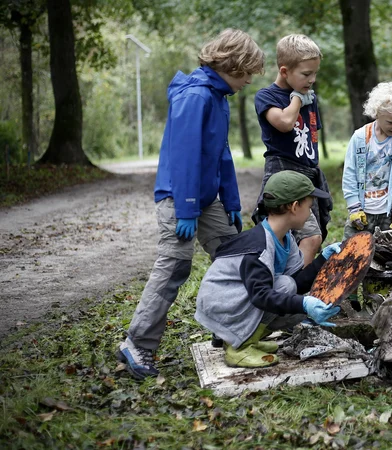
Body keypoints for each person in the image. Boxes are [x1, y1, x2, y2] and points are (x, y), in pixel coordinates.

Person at [117, 29, 265, 379]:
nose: (248, 81)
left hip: (207, 198)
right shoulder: (195, 96)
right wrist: (185, 209)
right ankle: (137, 343)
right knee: (174, 267)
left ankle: (231, 331)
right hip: (177, 197)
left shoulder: (219, 98)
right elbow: (183, 158)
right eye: (246, 73)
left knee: (235, 256)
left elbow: (222, 153)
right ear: (232, 65)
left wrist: (230, 199)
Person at [195, 171, 342, 368]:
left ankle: (248, 339)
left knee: (287, 286)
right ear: (294, 206)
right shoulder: (260, 246)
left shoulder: (285, 238)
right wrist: (305, 304)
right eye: (309, 207)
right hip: (221, 303)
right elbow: (261, 296)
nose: (310, 213)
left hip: (239, 299)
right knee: (284, 291)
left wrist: (323, 260)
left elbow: (296, 284)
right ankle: (237, 348)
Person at [252, 34, 332, 267]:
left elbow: (312, 134)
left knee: (311, 234)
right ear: (285, 71)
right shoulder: (266, 96)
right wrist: (296, 99)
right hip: (283, 174)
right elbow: (286, 123)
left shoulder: (309, 96)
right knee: (305, 237)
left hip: (307, 176)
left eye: (315, 73)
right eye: (306, 74)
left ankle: (292, 285)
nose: (312, 80)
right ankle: (293, 292)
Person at [342, 81, 392, 239]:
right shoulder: (360, 138)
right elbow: (350, 173)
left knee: (391, 255)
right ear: (376, 113)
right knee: (351, 253)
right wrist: (354, 208)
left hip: (388, 212)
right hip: (362, 210)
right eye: (391, 122)